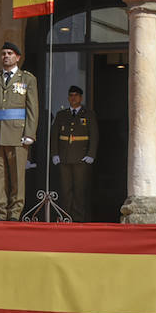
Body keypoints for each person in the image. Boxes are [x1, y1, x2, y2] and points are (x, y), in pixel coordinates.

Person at [0, 41, 38, 221]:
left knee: (16, 177)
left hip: (17, 135)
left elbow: (32, 108)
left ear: (18, 57)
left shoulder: (27, 79)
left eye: (9, 53)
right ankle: (1, 211)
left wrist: (30, 133)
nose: (6, 56)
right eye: (3, 53)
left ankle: (15, 213)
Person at [51, 85, 98, 222]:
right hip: (64, 158)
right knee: (65, 190)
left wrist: (91, 154)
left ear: (81, 98)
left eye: (76, 95)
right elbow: (54, 135)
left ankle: (78, 218)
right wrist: (55, 153)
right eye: (71, 95)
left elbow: (94, 136)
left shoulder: (88, 114)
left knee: (79, 190)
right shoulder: (62, 115)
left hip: (81, 158)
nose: (73, 98)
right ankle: (65, 217)